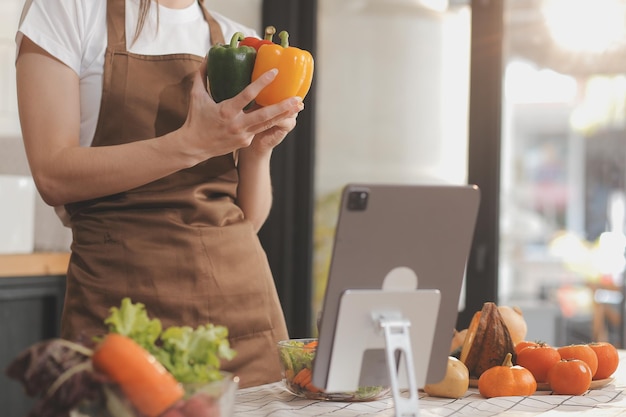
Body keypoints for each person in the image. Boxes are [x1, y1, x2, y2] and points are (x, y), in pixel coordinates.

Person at [16, 0, 303, 389]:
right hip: (120, 304)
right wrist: (190, 145)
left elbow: (248, 218)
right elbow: (53, 175)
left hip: (242, 309)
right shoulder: (68, 11)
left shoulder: (235, 39)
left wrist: (259, 148)